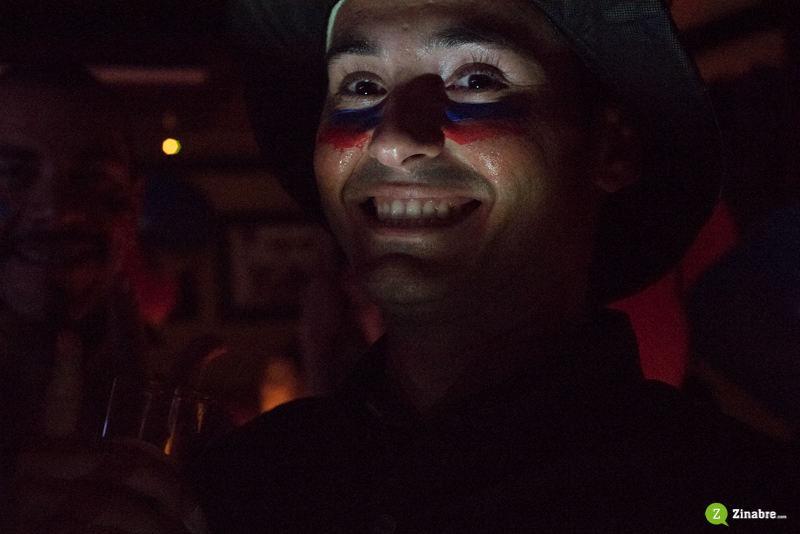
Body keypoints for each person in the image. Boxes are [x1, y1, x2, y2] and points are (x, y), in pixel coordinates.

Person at [197, 0, 795, 532]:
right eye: (359, 86)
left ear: (612, 146)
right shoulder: (234, 494)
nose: (392, 139)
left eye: (476, 79)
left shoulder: (736, 501)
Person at [0, 61, 204, 533]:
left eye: (93, 178)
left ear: (133, 208)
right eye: (11, 175)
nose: (58, 210)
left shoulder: (178, 436)